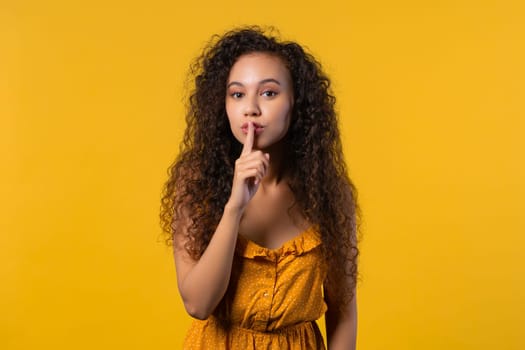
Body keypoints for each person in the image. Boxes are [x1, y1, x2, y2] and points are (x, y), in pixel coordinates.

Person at [160, 26, 362, 349]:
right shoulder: (196, 185)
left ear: (296, 102)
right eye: (237, 94)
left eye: (268, 93)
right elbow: (198, 304)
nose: (250, 108)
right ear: (222, 104)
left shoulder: (329, 193)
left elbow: (343, 312)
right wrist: (234, 207)